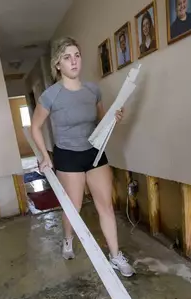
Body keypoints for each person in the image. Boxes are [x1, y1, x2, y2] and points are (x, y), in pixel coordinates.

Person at [30, 37, 135, 277]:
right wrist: (46, 156)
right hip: (67, 156)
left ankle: (115, 255)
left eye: (76, 55)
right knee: (73, 207)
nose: (73, 61)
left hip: (95, 152)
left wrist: (113, 118)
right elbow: (35, 127)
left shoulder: (92, 90)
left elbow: (100, 121)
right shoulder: (51, 95)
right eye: (67, 57)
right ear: (58, 64)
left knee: (106, 206)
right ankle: (67, 238)